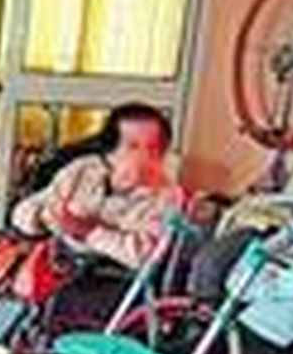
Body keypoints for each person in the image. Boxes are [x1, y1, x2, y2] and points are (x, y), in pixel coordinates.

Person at [10, 103, 183, 271]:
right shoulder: (84, 170)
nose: (144, 158)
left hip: (108, 279)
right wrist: (48, 218)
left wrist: (91, 231)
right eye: (133, 147)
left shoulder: (167, 196)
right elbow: (23, 212)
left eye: (153, 149)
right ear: (110, 150)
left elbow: (146, 256)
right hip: (53, 263)